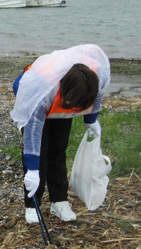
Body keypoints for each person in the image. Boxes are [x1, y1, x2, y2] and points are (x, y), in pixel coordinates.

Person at [10, 44, 110, 223]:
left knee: (58, 150)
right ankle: (32, 204)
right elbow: (32, 138)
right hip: (36, 99)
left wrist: (91, 120)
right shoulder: (40, 93)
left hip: (63, 99)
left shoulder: (96, 78)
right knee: (39, 153)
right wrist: (32, 170)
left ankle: (59, 201)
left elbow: (97, 97)